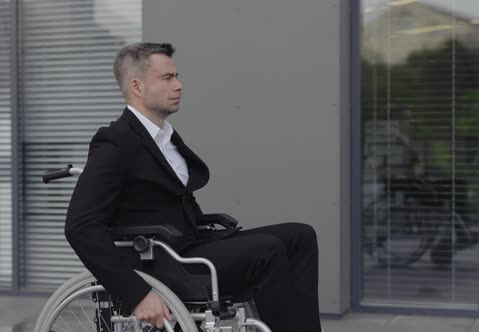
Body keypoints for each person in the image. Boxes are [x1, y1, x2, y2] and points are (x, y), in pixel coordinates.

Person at [65, 42, 321, 332]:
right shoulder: (115, 142)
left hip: (192, 244)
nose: (179, 85)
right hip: (164, 261)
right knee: (268, 249)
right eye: (167, 78)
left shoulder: (165, 138)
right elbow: (80, 226)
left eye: (177, 76)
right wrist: (136, 293)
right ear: (137, 86)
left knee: (300, 236)